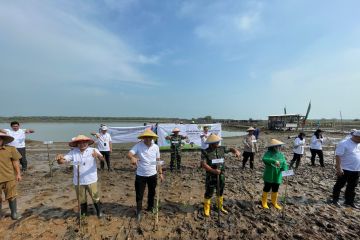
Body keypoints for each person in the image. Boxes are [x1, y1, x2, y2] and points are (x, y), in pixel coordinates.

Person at [56, 135, 105, 218]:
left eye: (84, 142)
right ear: (76, 144)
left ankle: (99, 212)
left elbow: (102, 159)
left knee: (95, 197)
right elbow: (63, 161)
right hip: (78, 181)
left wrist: (98, 156)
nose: (82, 144)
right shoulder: (73, 152)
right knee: (81, 199)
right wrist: (59, 158)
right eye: (80, 143)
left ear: (88, 143)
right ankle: (84, 213)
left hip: (91, 179)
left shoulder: (93, 150)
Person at [127, 129, 164, 221]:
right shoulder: (138, 146)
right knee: (139, 194)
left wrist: (160, 173)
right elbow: (129, 154)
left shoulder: (156, 147)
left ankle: (150, 207)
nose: (148, 139)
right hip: (140, 175)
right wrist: (133, 158)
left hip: (153, 174)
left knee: (152, 193)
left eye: (150, 137)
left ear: (152, 138)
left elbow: (158, 161)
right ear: (143, 138)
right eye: (146, 137)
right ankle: (139, 211)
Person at [201, 134, 240, 217]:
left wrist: (236, 151)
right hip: (211, 176)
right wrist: (212, 170)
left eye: (218, 141)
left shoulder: (221, 149)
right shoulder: (205, 151)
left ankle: (220, 206)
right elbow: (203, 164)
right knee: (209, 192)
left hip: (221, 175)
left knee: (220, 191)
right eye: (216, 142)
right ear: (211, 143)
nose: (218, 143)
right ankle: (207, 208)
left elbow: (231, 149)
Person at [332, 130, 360, 208]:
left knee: (352, 186)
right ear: (355, 136)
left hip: (356, 169)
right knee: (339, 185)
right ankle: (335, 199)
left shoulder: (358, 144)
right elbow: (338, 156)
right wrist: (338, 168)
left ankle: (349, 202)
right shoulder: (344, 143)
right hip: (345, 169)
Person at [0, 133, 22, 220]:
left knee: (12, 196)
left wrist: (18, 174)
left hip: (9, 177)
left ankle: (14, 213)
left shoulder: (10, 149)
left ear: (2, 140)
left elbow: (15, 162)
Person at [261, 139, 288, 210]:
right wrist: (274, 161)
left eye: (279, 146)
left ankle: (274, 202)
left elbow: (284, 163)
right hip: (269, 174)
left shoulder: (281, 154)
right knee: (267, 188)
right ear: (273, 147)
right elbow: (264, 159)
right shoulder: (268, 153)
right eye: (277, 146)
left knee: (275, 189)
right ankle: (264, 202)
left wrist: (285, 170)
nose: (279, 148)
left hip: (278, 175)